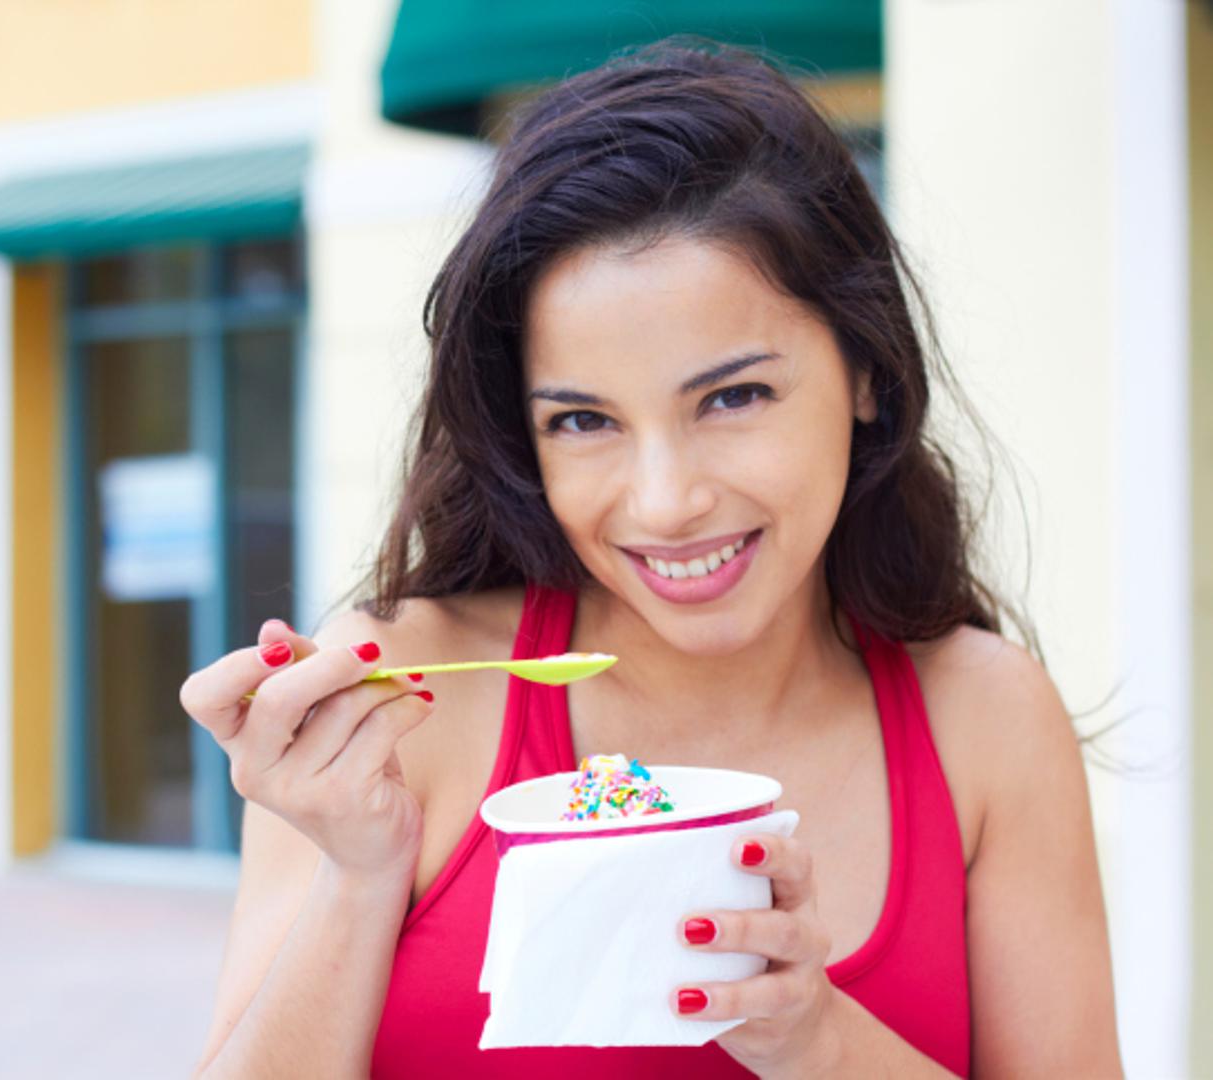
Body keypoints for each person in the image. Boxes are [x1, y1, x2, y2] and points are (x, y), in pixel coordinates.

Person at [182, 38, 1121, 1079]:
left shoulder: (984, 720)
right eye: (584, 420)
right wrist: (356, 876)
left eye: (731, 398)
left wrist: (817, 1041)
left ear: (862, 369)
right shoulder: (401, 703)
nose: (665, 502)